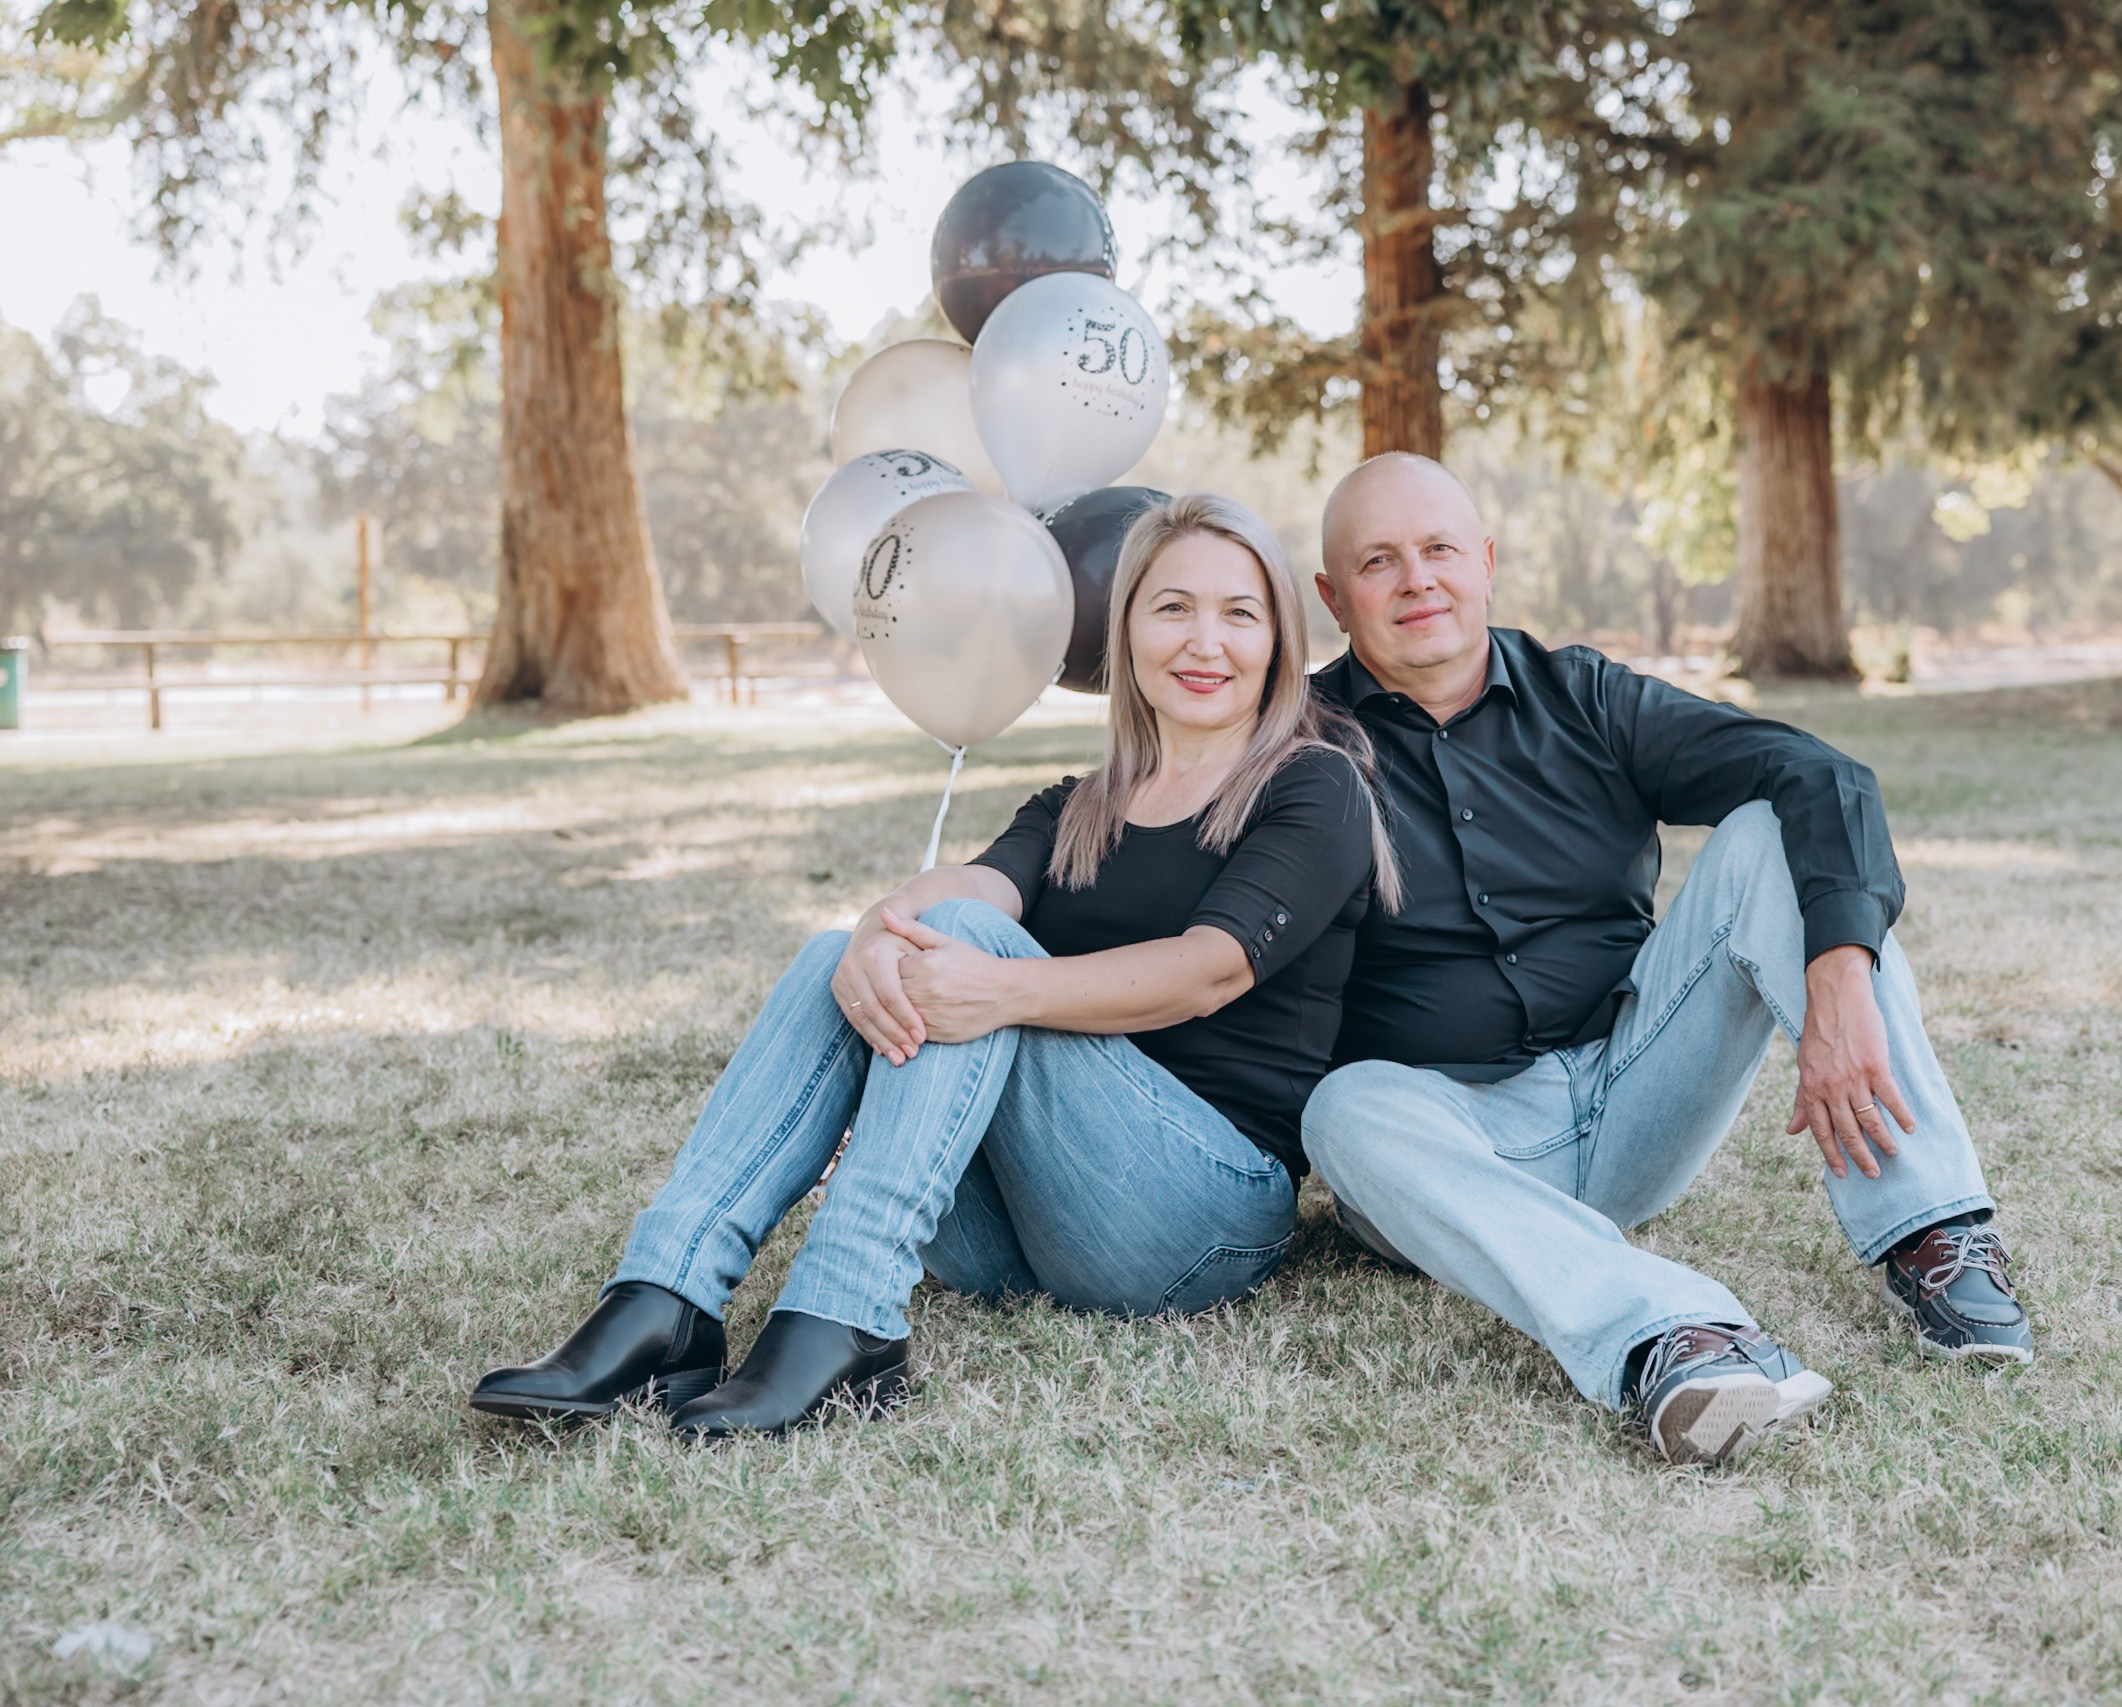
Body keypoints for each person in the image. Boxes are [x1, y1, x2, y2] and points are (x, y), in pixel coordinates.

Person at [471, 493, 1397, 1439]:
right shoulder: (1077, 804)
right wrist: (878, 930)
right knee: (848, 950)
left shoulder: (1313, 782)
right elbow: (962, 892)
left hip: (1195, 1221)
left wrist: (1000, 986)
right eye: (1172, 607)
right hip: (1018, 1234)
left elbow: (1209, 969)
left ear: (1280, 638)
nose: (1205, 641)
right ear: (1126, 631)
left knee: (967, 947)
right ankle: (663, 1301)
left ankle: (849, 1321)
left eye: (1239, 613)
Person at [1299, 453, 2031, 1469]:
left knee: (1767, 835)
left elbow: (1817, 772)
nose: (1416, 579)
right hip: (1444, 1143)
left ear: (1486, 563)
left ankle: (1934, 1233)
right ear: (1334, 598)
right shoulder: (1290, 746)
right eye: (1378, 561)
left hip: (1629, 1096)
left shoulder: (1586, 698)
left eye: (1438, 550)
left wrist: (1837, 977)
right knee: (1344, 1106)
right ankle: (1676, 1337)